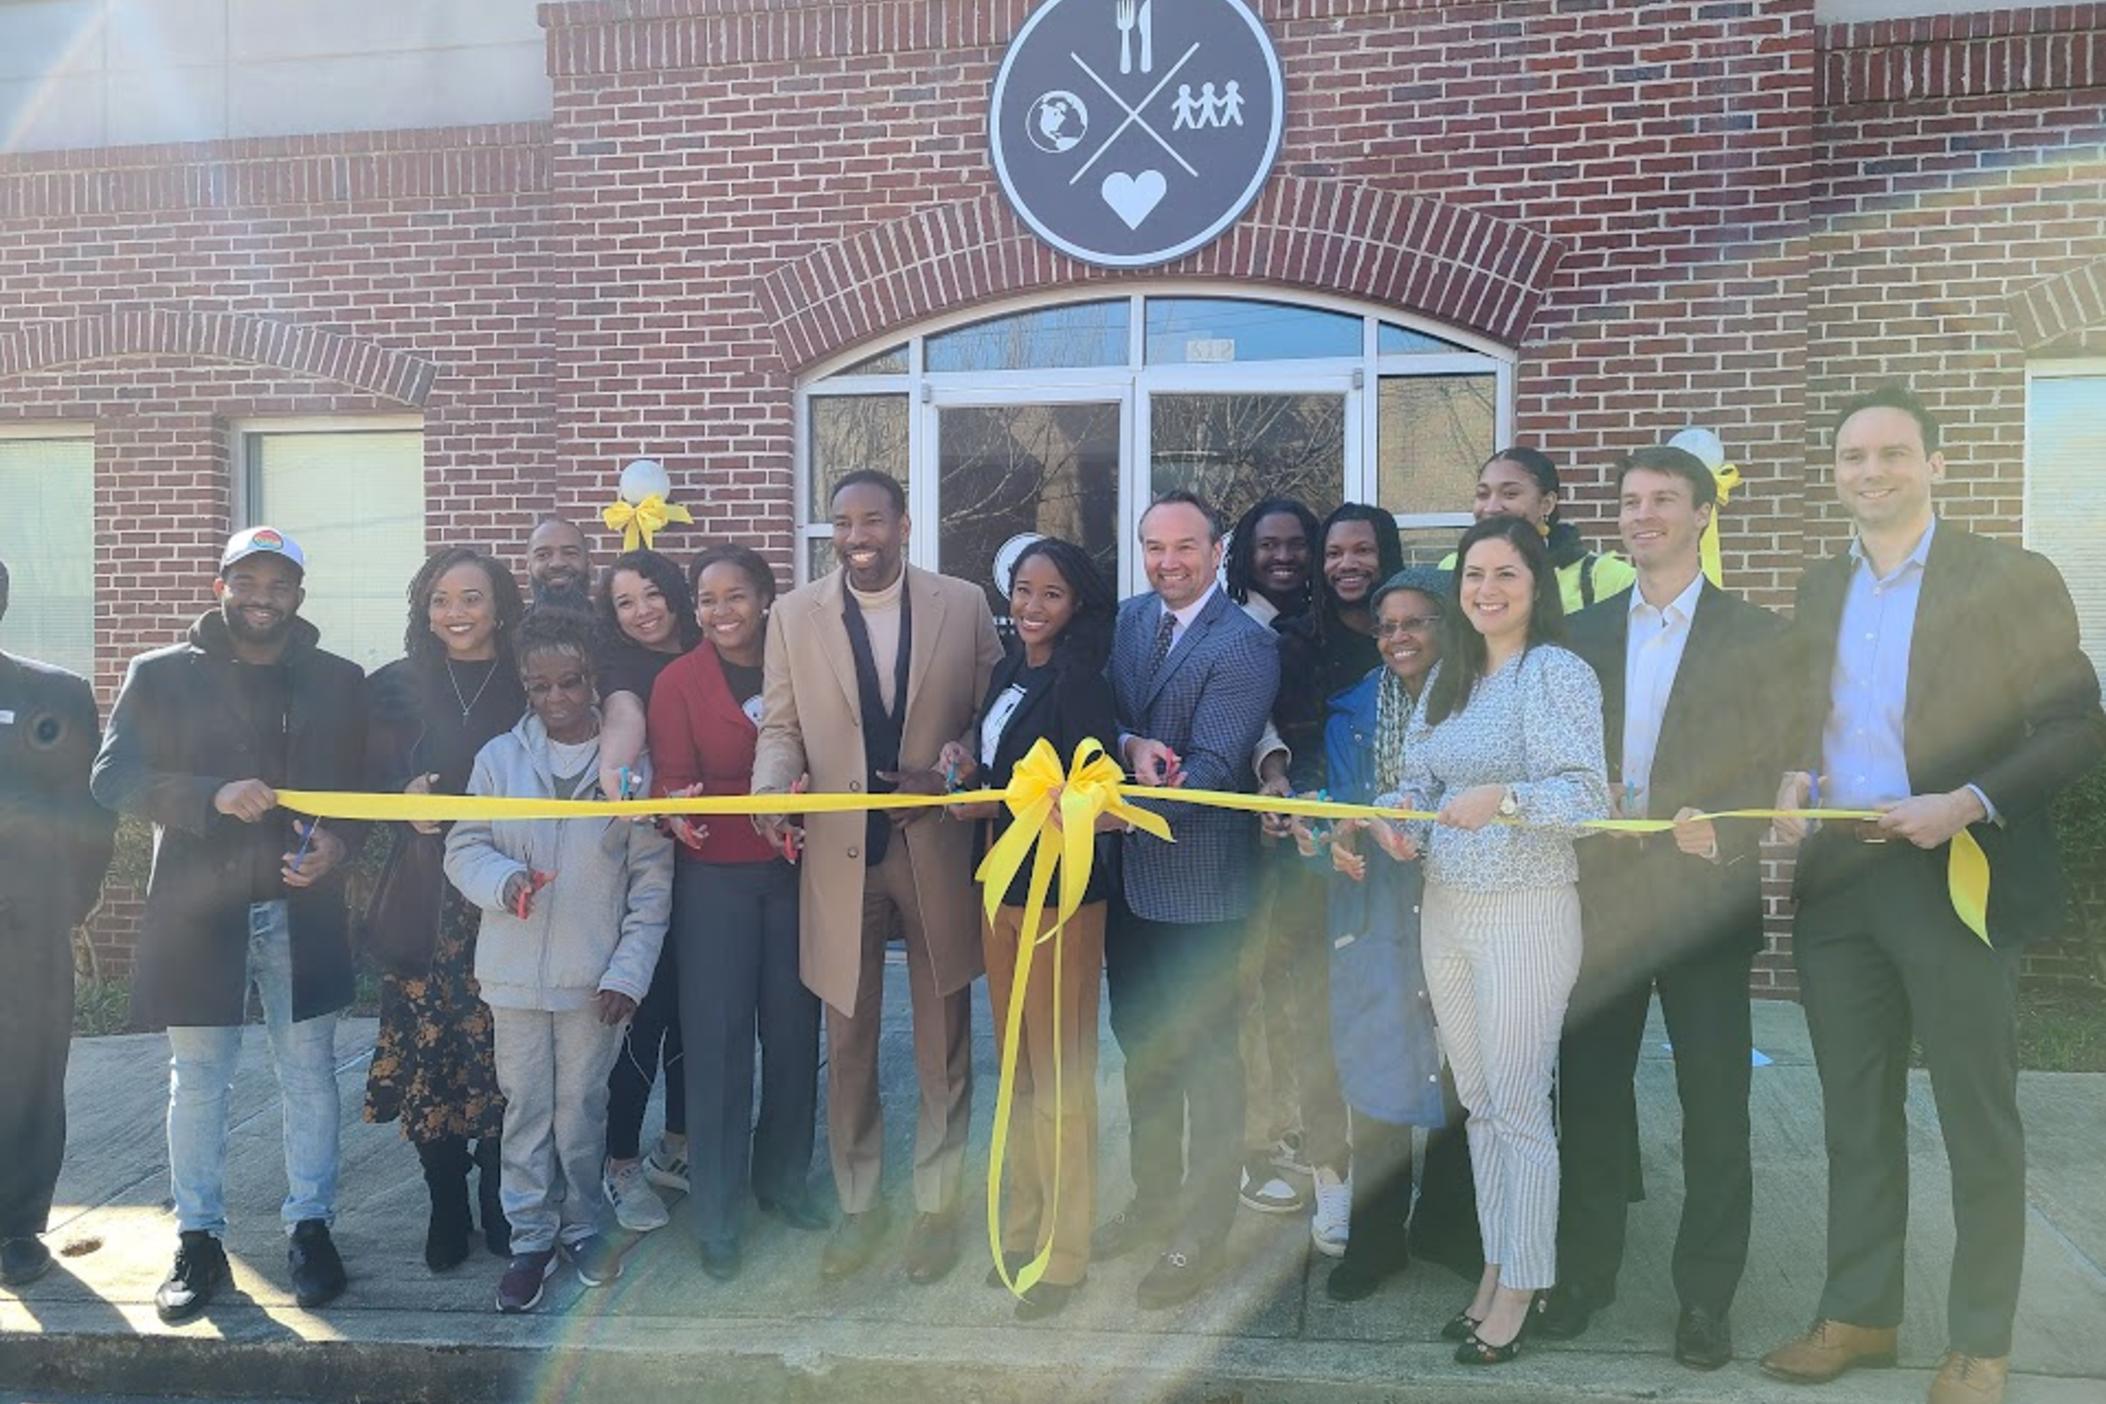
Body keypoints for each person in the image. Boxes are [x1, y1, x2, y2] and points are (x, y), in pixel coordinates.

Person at [1758, 385, 2105, 1404]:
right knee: (1854, 1114)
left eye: (1892, 454)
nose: (1871, 472)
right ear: (1835, 474)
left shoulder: (2010, 577)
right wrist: (1790, 774)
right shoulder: (1824, 585)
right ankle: (1860, 1313)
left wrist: (1965, 802)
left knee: (1974, 1115)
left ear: (1936, 464)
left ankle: (1981, 1342)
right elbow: (1808, 718)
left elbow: (2076, 725)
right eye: (1853, 457)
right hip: (1839, 885)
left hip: (1954, 874)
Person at [1534, 447, 1782, 1370]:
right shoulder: (1582, 632)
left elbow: (1779, 756)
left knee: (1716, 1104)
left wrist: (1726, 827)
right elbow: (1552, 748)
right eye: (1631, 502)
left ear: (1703, 515)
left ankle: (1706, 1297)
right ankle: (1588, 1276)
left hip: (1705, 901)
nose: (1643, 516)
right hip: (1603, 896)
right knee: (1592, 1096)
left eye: (1664, 501)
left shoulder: (1756, 634)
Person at [91, 527, 367, 1323]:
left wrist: (338, 844)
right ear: (220, 585)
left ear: (299, 597)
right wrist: (209, 792)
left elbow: (354, 792)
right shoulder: (160, 673)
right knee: (199, 1081)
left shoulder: (336, 680)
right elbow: (111, 779)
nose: (261, 596)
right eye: (247, 579)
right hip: (197, 913)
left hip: (300, 908)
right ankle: (199, 1239)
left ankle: (310, 1228)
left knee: (309, 1075)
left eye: (278, 583)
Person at [750, 469, 1002, 1285]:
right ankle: (861, 1205)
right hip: (839, 850)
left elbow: (991, 713)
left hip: (933, 845)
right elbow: (781, 726)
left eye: (871, 519)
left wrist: (965, 760)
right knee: (849, 1040)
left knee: (944, 1041)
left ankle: (938, 1205)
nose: (856, 534)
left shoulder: (961, 604)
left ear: (902, 522)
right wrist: (768, 790)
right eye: (841, 522)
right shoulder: (793, 615)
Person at [1377, 513, 1610, 1364]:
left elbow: (1590, 799)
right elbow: (1413, 783)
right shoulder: (1450, 680)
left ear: (1535, 585)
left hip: (1527, 911)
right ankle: (1495, 1264)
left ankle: (1525, 1283)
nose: (1486, 590)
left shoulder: (1555, 672)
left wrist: (1505, 798)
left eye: (1505, 574)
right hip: (1448, 909)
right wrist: (1399, 822)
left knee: (1518, 1107)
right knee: (1478, 1107)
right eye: (1474, 575)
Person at [444, 606, 674, 1313]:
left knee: (582, 1109)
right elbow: (462, 846)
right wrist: (500, 881)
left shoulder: (629, 768)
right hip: (512, 976)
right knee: (526, 1109)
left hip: (592, 981)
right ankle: (529, 1239)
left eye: (570, 683)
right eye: (538, 687)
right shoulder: (497, 759)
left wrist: (627, 973)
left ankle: (580, 1227)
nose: (555, 700)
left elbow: (651, 884)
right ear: (523, 685)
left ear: (593, 678)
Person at [1094, 491, 1281, 1310]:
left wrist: (1115, 802)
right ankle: (1153, 1201)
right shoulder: (1132, 618)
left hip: (1201, 886)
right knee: (1143, 1051)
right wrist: (1127, 744)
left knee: (1207, 1064)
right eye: (1151, 546)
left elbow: (1210, 771)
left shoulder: (1244, 645)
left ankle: (1200, 1233)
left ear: (1217, 550)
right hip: (1129, 886)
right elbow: (1108, 713)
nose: (1167, 561)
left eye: (1183, 547)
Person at [938, 537, 1121, 1322]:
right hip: (999, 889)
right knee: (1017, 1072)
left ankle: (1066, 1251)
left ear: (1077, 604)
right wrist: (965, 766)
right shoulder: (1010, 671)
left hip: (1061, 897)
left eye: (1051, 593)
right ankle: (1021, 1227)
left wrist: (992, 802)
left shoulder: (1082, 684)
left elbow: (1093, 801)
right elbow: (1005, 770)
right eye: (1022, 590)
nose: (1032, 605)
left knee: (1060, 1077)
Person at [646, 544, 822, 1281]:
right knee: (717, 1047)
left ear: (765, 597)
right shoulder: (676, 682)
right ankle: (717, 1213)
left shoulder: (802, 666)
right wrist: (675, 812)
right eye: (707, 599)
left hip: (795, 877)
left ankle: (781, 1182)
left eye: (736, 595)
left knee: (791, 1035)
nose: (721, 611)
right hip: (714, 882)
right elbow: (674, 785)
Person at [362, 547, 526, 1272]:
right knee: (433, 1060)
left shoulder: (526, 680)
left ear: (499, 606)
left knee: (503, 1060)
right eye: (440, 599)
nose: (455, 613)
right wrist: (400, 795)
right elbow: (358, 778)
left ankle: (498, 1194)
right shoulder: (392, 687)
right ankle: (446, 1204)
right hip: (427, 902)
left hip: (508, 898)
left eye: (471, 597)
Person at [1244, 503, 1403, 1244]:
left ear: (1386, 554)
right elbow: (1269, 734)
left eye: (1362, 551)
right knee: (1313, 1020)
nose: (1347, 564)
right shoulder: (1290, 641)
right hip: (1312, 859)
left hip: (1402, 856)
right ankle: (1332, 1178)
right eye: (1335, 552)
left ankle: (1390, 1179)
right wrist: (1285, 793)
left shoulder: (1415, 630)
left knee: (1391, 1021)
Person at [1297, 566, 1449, 1302]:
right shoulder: (1353, 710)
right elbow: (1337, 804)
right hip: (1378, 912)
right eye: (1388, 625)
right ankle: (1379, 1238)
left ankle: (1453, 1230)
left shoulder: (1478, 702)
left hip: (1459, 903)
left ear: (1446, 627)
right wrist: (1327, 829)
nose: (1398, 638)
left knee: (1464, 1072)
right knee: (1380, 1075)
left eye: (1415, 622)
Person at [0, 558, 115, 1286]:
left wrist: (66, 903)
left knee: (29, 1072)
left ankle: (16, 1226)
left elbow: (89, 809)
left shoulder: (54, 693)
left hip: (25, 922)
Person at [593, 549, 703, 1234]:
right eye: (624, 602)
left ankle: (680, 1147)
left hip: (725, 863)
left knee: (700, 1012)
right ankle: (621, 1160)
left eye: (651, 593)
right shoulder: (624, 674)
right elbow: (622, 732)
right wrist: (624, 785)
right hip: (657, 861)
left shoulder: (711, 649)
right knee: (651, 1011)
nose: (641, 611)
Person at [1223, 497, 1324, 1219]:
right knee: (1253, 991)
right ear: (1245, 553)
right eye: (1268, 545)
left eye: (1296, 544)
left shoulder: (1326, 625)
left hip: (1324, 839)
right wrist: (1270, 777)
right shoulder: (1235, 627)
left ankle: (1302, 1128)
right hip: (1252, 832)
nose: (1283, 557)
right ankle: (1257, 1145)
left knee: (1303, 989)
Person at [1441, 447, 1636, 614]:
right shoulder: (1451, 568)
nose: (1491, 507)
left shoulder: (1609, 579)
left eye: (1510, 494)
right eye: (1483, 494)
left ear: (1546, 504)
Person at [525, 518, 593, 613]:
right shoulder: (514, 626)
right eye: (543, 555)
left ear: (588, 564)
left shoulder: (613, 626)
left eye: (570, 553)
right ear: (529, 568)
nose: (557, 564)